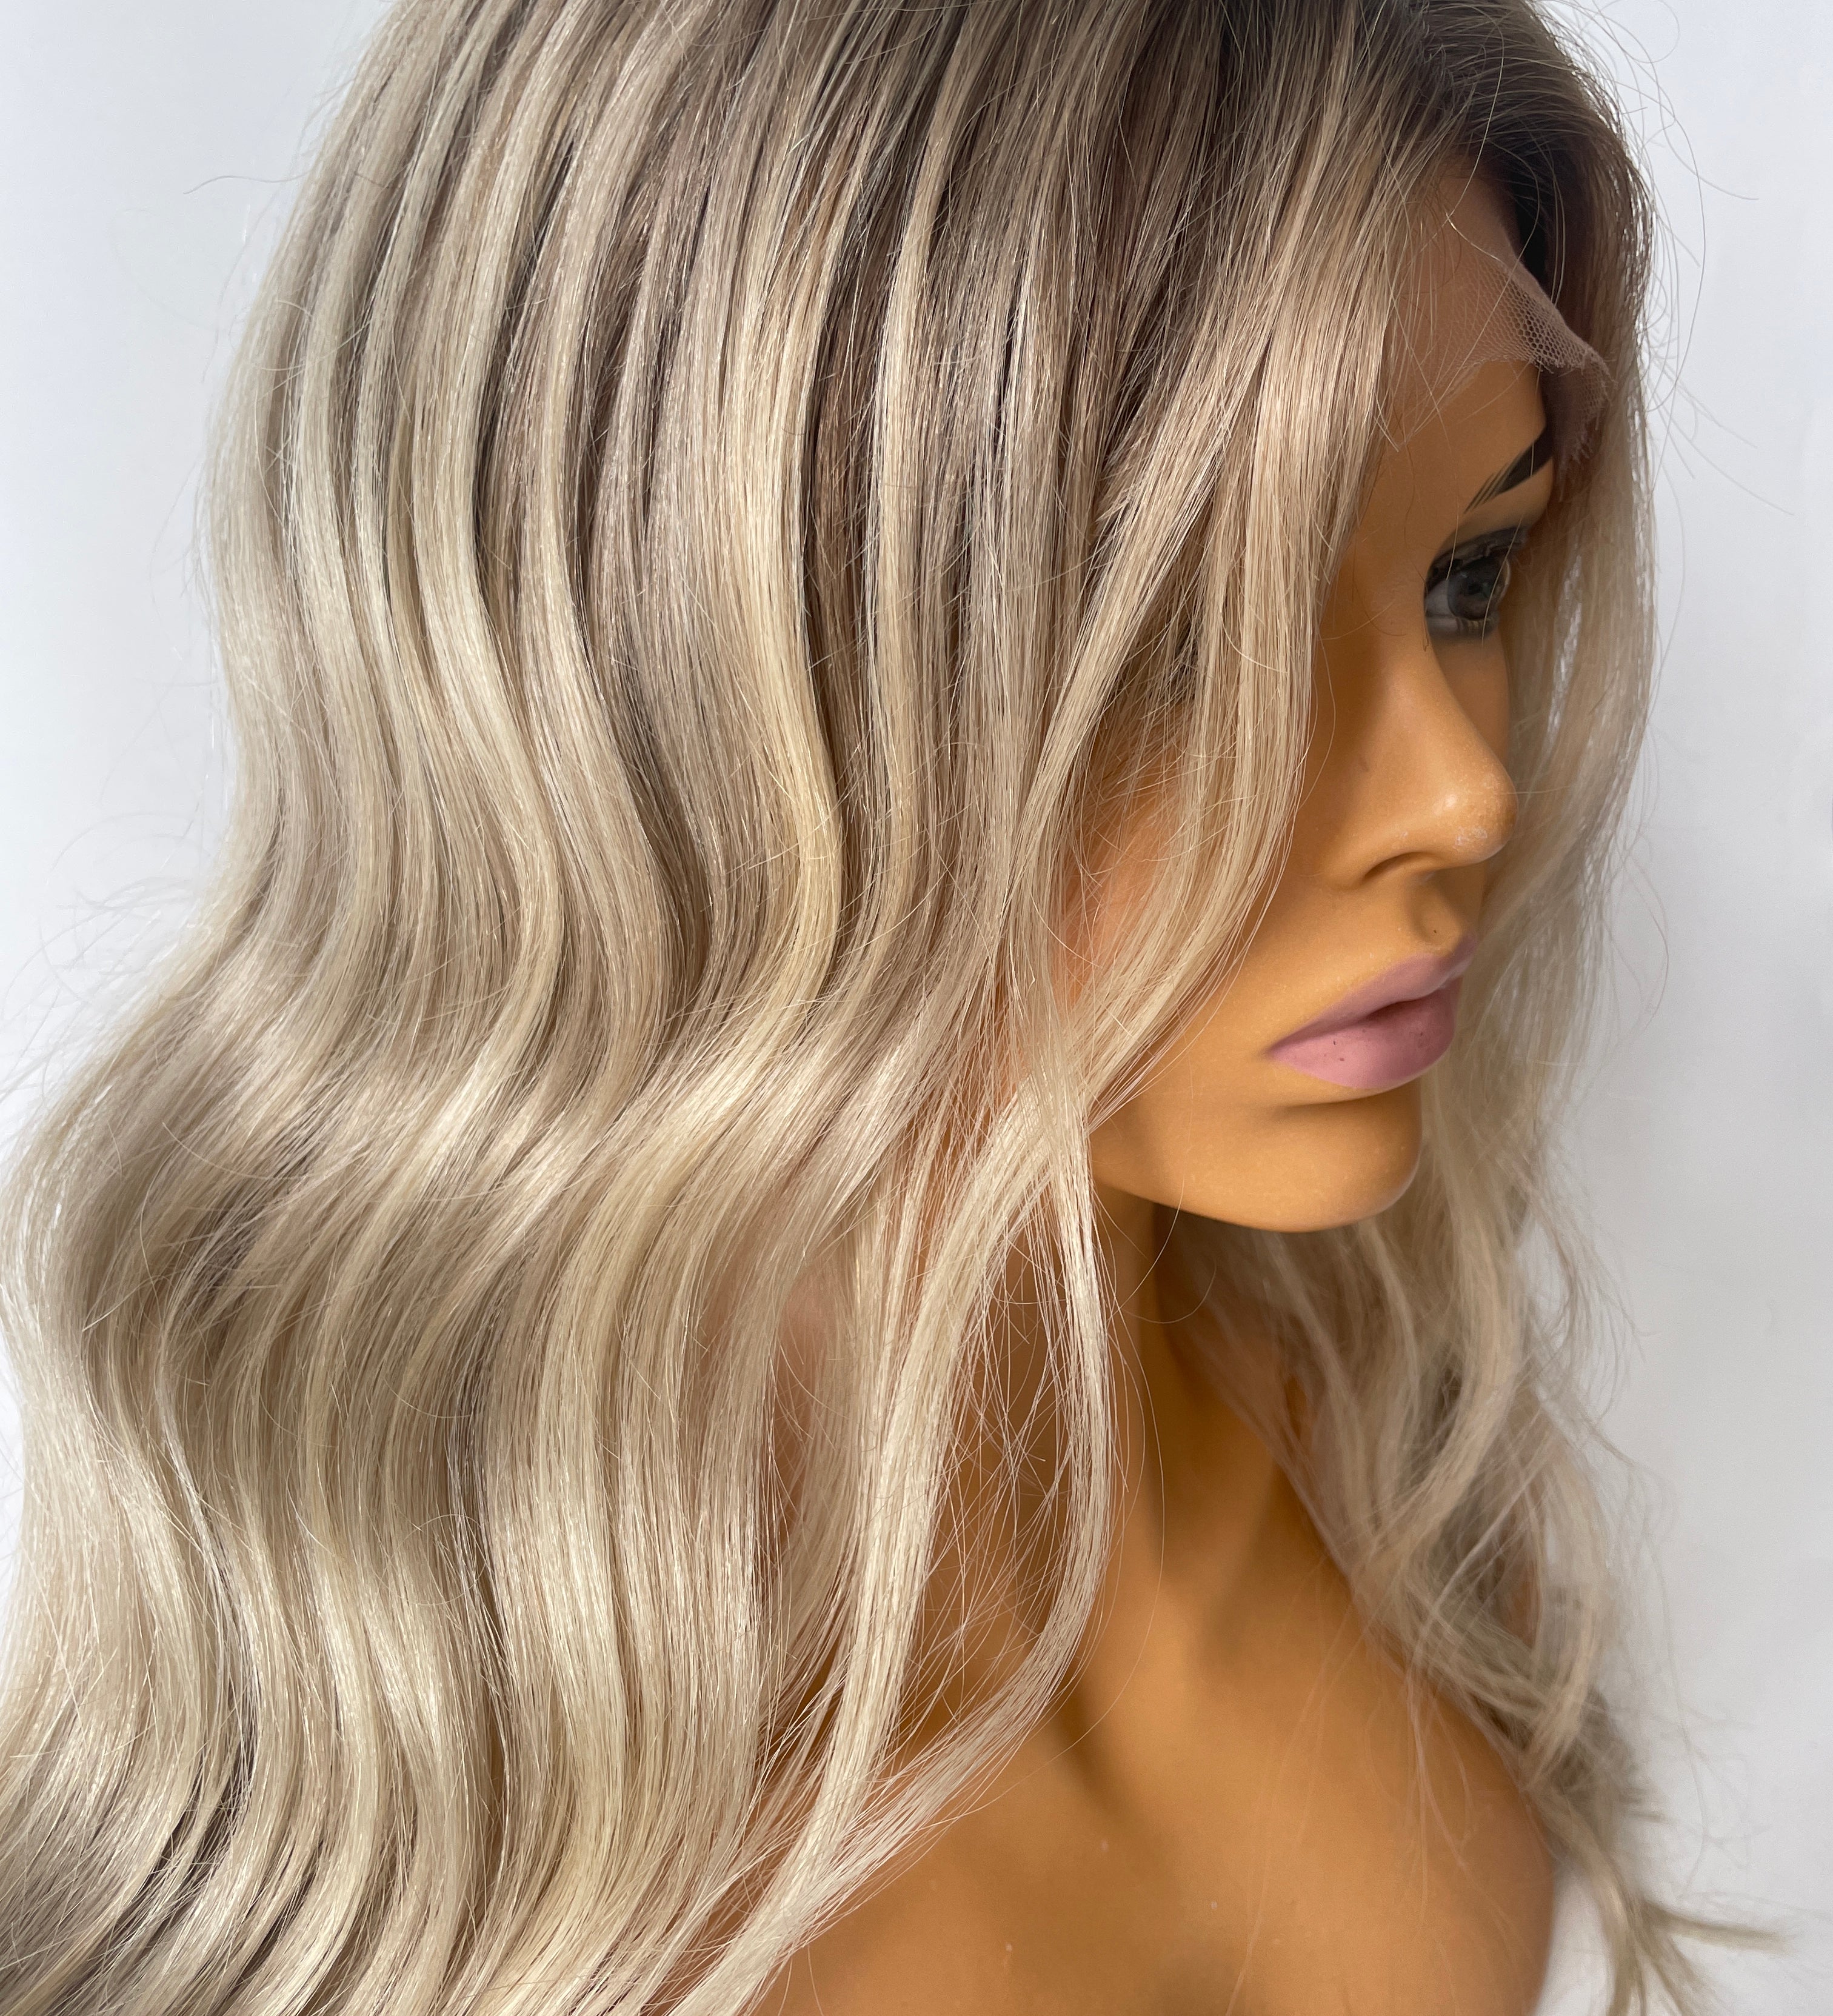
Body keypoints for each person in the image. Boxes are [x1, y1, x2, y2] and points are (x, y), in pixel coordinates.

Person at [0, 2, 1769, 2012]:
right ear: (665, 667)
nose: (1463, 791)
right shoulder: (407, 1832)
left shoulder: (1398, 1471)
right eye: (1192, 639)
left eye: (1467, 577)